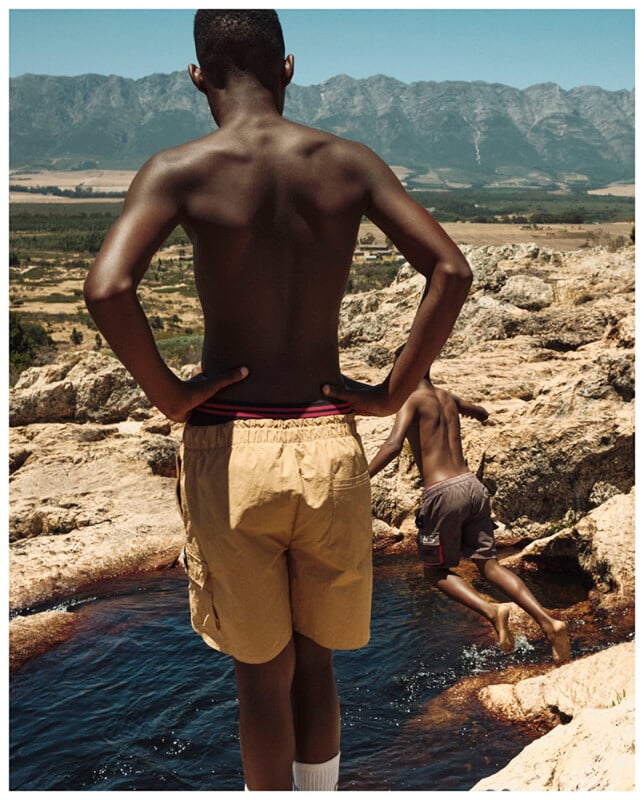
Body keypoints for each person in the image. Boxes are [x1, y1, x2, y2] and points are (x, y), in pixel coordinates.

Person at [83, 9, 472, 791]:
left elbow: (107, 287)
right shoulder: (349, 162)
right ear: (287, 67)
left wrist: (169, 395)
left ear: (198, 76)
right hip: (328, 439)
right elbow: (452, 272)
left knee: (261, 676)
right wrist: (394, 390)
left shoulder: (178, 168)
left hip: (231, 447)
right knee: (317, 663)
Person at [368, 364, 571, 664]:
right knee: (489, 566)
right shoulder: (447, 396)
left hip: (443, 493)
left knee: (435, 572)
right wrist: (479, 414)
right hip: (473, 487)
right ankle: (549, 622)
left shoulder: (410, 400)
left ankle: (492, 611)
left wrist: (362, 476)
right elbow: (479, 411)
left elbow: (393, 445)